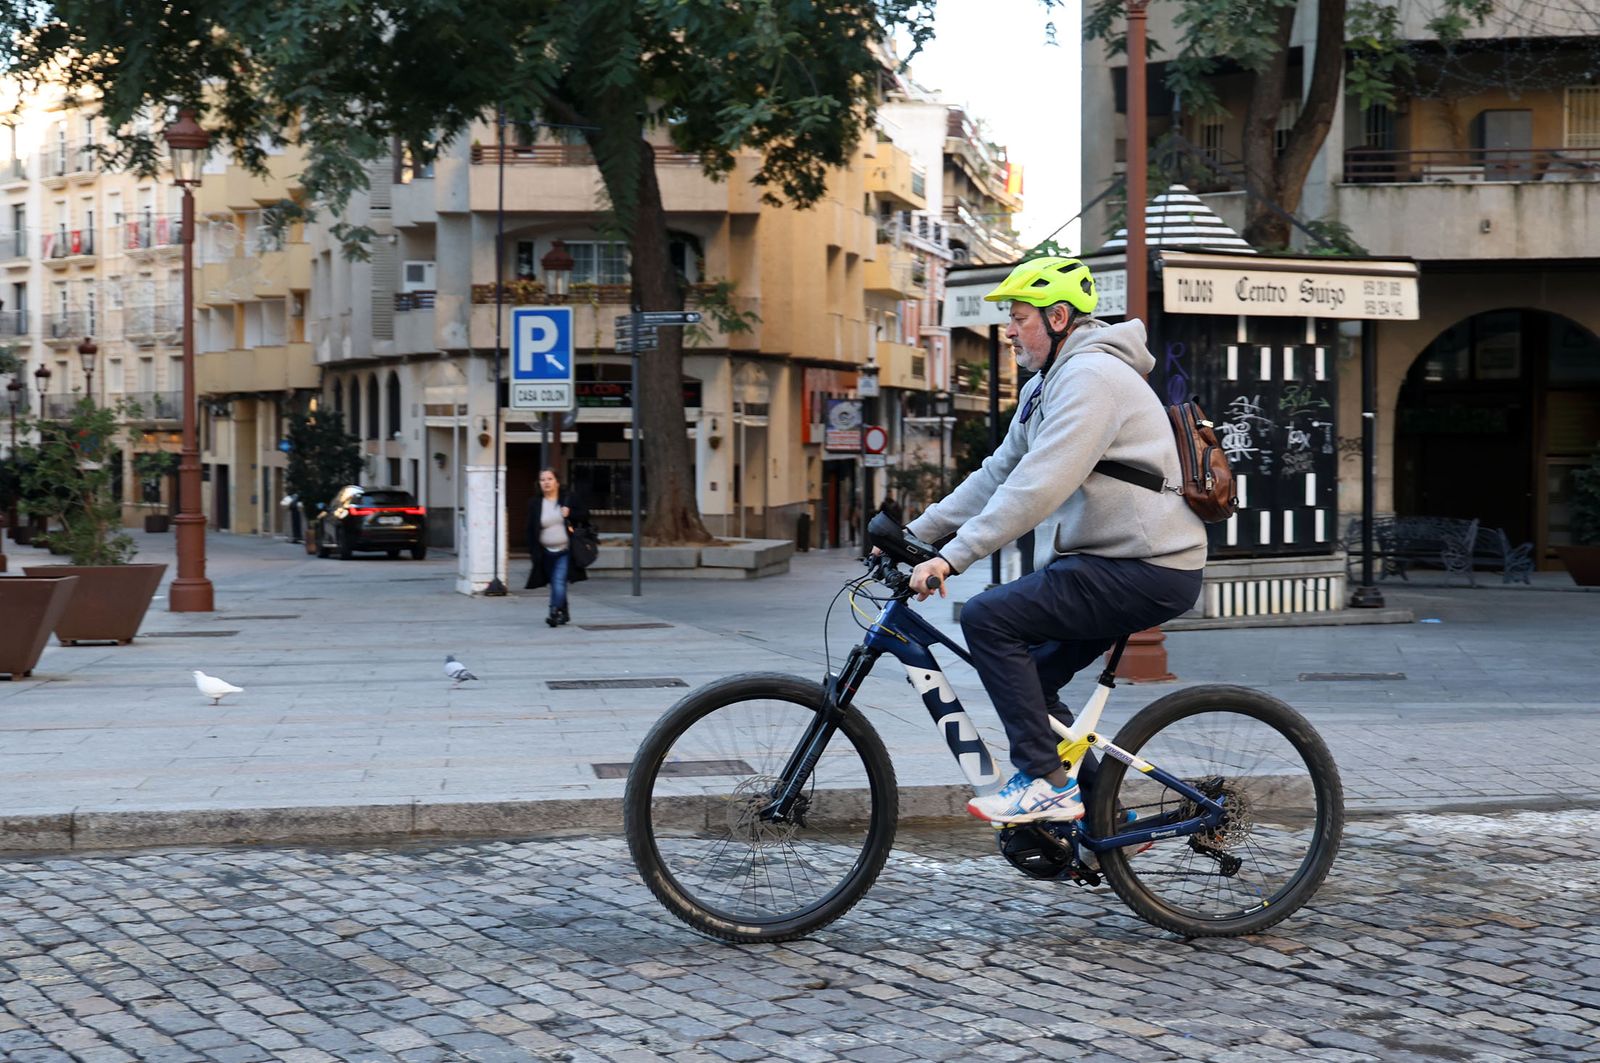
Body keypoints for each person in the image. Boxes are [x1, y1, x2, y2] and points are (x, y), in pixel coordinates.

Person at [900, 256, 1207, 825]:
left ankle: (1046, 783)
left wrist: (953, 558)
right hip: (1113, 562)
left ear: (1058, 317)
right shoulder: (1047, 384)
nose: (1009, 331)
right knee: (1033, 681)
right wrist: (916, 534)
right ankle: (1106, 820)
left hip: (1146, 567)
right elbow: (998, 473)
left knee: (988, 618)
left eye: (1019, 318)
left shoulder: (1092, 378)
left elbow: (1039, 484)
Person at [524, 467, 590, 627]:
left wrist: (570, 513)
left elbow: (585, 515)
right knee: (555, 583)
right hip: (545, 552)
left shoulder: (568, 498)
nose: (546, 482)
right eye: (543, 480)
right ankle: (564, 613)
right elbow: (530, 529)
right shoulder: (535, 503)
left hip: (565, 550)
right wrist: (533, 551)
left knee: (559, 580)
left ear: (557, 482)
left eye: (550, 479)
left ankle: (553, 612)